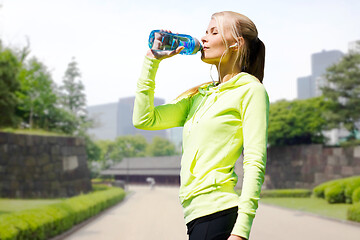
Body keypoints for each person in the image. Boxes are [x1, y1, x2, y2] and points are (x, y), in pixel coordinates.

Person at [133, 11, 269, 240]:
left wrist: (241, 231)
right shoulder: (199, 95)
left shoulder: (250, 90)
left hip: (218, 213)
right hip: (196, 216)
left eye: (214, 32)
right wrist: (151, 61)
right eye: (205, 32)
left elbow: (255, 160)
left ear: (237, 44)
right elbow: (144, 119)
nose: (203, 38)